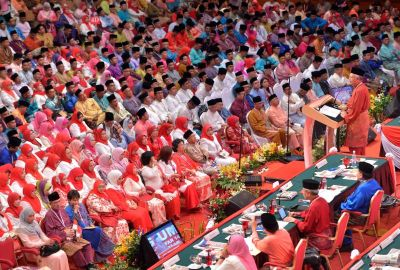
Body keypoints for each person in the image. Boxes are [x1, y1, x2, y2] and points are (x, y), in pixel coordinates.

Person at [42, 191, 96, 270]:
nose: (58, 204)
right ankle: (84, 267)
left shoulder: (62, 210)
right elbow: (50, 233)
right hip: (62, 241)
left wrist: (73, 231)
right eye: (55, 203)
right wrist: (64, 233)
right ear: (50, 203)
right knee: (76, 249)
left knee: (87, 245)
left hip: (72, 236)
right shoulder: (49, 215)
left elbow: (71, 223)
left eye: (58, 201)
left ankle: (90, 264)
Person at [65, 190, 115, 262]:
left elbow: (87, 216)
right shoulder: (67, 210)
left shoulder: (81, 205)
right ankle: (104, 255)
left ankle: (104, 256)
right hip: (80, 231)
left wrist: (91, 223)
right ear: (69, 200)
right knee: (98, 231)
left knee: (98, 230)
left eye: (77, 200)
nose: (76, 202)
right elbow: (74, 222)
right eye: (74, 200)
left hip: (89, 227)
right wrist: (75, 211)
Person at [284, 179, 332, 250]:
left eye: (303, 191)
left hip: (318, 241)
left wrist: (294, 220)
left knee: (293, 235)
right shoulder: (322, 200)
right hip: (327, 235)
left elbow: (306, 228)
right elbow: (310, 214)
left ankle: (297, 257)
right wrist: (298, 214)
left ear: (308, 193)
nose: (301, 192)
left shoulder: (314, 206)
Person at [140, 151, 181, 219]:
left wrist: (171, 175)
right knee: (171, 198)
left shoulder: (153, 166)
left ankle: (175, 214)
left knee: (175, 194)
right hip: (155, 191)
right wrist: (156, 166)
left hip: (162, 187)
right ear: (149, 160)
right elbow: (152, 175)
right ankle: (170, 216)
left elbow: (162, 174)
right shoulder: (144, 170)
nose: (154, 159)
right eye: (153, 158)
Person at [341, 68, 370, 155]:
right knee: (359, 147)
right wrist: (346, 106)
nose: (349, 79)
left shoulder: (359, 90)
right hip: (361, 118)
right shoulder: (360, 87)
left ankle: (356, 164)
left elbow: (356, 109)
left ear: (357, 79)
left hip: (358, 119)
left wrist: (345, 115)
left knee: (356, 147)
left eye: (351, 77)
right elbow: (354, 104)